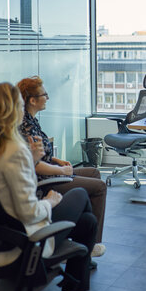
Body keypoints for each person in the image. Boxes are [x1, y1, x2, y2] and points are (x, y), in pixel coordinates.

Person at [0, 83, 96, 291]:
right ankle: (76, 287)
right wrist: (50, 202)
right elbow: (29, 212)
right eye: (19, 106)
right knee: (81, 195)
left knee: (87, 223)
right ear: (10, 111)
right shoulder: (14, 150)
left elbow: (7, 184)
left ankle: (76, 284)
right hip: (24, 241)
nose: (22, 111)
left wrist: (33, 159)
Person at [17, 76, 107, 257]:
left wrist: (58, 161)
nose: (47, 98)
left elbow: (42, 153)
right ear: (32, 100)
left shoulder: (32, 120)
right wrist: (62, 170)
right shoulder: (26, 126)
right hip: (46, 179)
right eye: (44, 94)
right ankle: (92, 244)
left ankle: (85, 236)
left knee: (94, 173)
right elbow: (35, 166)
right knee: (99, 187)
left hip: (52, 171)